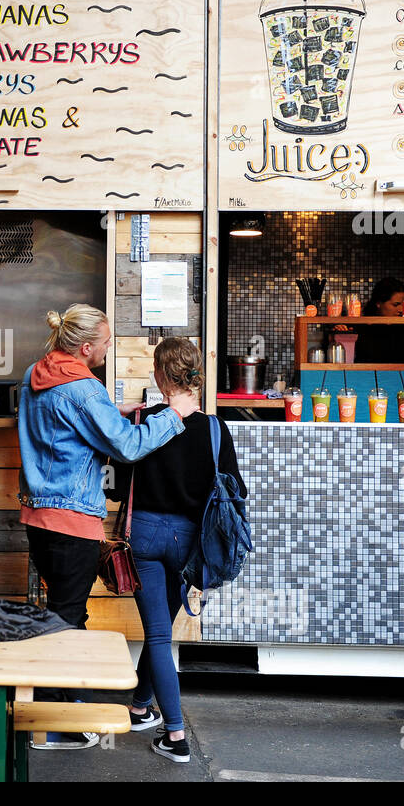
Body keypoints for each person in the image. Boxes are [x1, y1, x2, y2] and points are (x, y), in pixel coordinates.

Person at [17, 303, 184, 750]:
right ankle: (54, 724)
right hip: (71, 520)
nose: (110, 350)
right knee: (66, 620)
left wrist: (114, 410)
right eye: (108, 343)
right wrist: (175, 414)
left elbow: (68, 430)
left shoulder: (36, 375)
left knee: (66, 613)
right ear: (87, 347)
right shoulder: (84, 389)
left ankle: (62, 710)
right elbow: (128, 447)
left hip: (39, 516)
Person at [108, 337, 248, 765]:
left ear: (158, 377)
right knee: (161, 630)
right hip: (190, 543)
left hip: (146, 538)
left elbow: (114, 487)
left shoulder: (141, 421)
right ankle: (139, 706)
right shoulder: (214, 429)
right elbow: (235, 490)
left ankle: (175, 736)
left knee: (157, 634)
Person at [355, 277, 404, 364]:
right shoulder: (362, 327)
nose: (401, 309)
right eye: (396, 304)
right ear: (378, 303)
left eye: (403, 304)